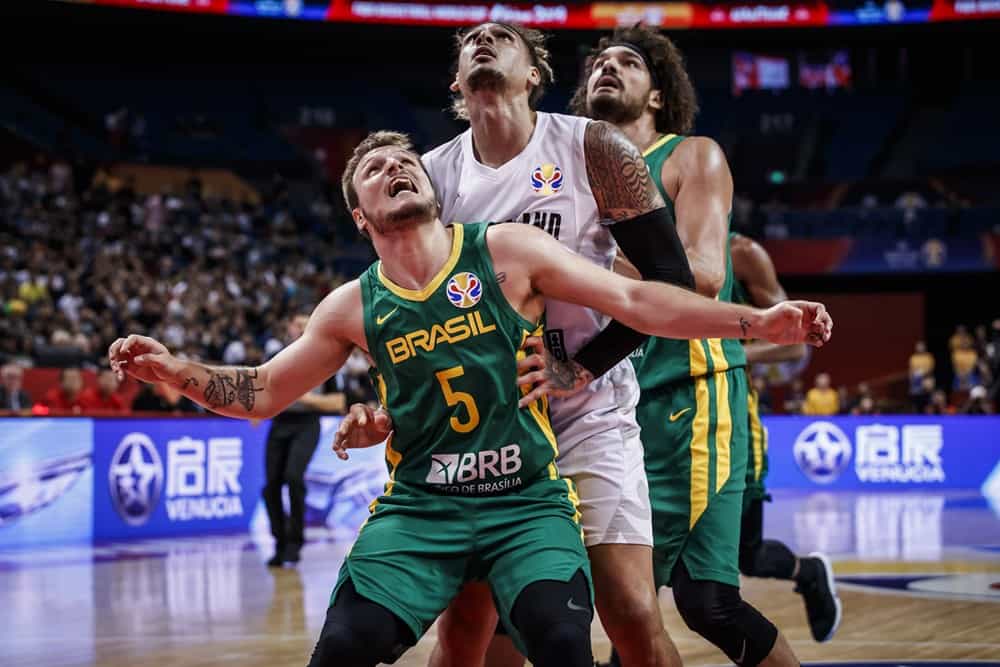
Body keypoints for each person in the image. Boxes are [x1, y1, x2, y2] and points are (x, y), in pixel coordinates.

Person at [108, 131, 831, 667]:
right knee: (342, 648)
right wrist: (175, 371)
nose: (394, 168)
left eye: (403, 161)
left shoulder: (507, 248)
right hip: (424, 509)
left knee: (559, 639)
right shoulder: (350, 306)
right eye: (373, 168)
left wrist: (754, 321)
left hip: (525, 501)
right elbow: (261, 391)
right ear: (360, 216)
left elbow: (637, 298)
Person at [420, 21, 703, 667]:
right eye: (471, 41)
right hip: (489, 423)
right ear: (456, 82)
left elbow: (671, 282)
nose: (483, 40)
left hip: (588, 410)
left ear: (534, 75)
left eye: (503, 36)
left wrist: (581, 366)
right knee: (476, 627)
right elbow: (413, 307)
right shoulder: (432, 176)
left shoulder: (591, 146)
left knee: (630, 610)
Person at [571, 25, 810, 666]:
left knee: (701, 601)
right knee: (628, 602)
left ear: (657, 94)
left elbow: (700, 274)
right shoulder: (569, 174)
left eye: (627, 62)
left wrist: (569, 268)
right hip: (601, 401)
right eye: (598, 63)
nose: (607, 69)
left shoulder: (689, 155)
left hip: (689, 396)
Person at [730, 232, 842, 644]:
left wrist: (733, 355)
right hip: (655, 424)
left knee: (749, 555)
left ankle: (807, 571)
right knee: (645, 556)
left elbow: (796, 349)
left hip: (731, 425)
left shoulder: (741, 255)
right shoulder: (636, 247)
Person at [263, 312, 346, 567]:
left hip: (307, 424)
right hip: (280, 423)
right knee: (271, 486)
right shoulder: (276, 358)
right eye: (296, 324)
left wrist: (303, 397)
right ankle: (279, 541)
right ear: (288, 328)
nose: (299, 329)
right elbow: (263, 389)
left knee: (294, 477)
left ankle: (295, 542)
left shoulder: (325, 360)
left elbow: (339, 401)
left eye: (304, 325)